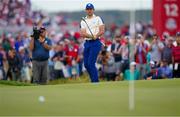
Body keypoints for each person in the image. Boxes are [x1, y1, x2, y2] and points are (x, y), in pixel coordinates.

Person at [80, 3, 105, 83]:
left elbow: (102, 30)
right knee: (86, 64)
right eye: (88, 9)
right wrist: (91, 36)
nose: (89, 10)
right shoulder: (83, 20)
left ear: (93, 10)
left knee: (91, 63)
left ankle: (95, 81)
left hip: (96, 43)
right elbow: (83, 33)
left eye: (91, 9)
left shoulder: (98, 18)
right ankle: (93, 79)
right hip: (87, 43)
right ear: (86, 10)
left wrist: (96, 36)